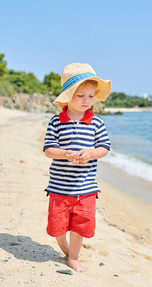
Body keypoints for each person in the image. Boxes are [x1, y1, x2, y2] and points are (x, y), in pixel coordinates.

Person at [43, 63, 112, 272]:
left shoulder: (96, 122)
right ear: (68, 95)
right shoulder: (56, 122)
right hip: (59, 187)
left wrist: (90, 153)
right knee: (57, 226)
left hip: (86, 187)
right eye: (80, 95)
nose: (86, 101)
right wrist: (64, 154)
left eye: (91, 96)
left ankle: (73, 257)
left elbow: (104, 147)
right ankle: (64, 246)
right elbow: (48, 149)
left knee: (81, 224)